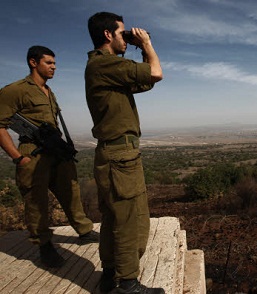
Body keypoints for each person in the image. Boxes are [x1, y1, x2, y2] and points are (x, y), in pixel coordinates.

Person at [85, 12, 163, 294]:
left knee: (112, 218)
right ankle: (128, 284)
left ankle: (108, 276)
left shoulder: (104, 68)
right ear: (107, 35)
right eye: (122, 33)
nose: (126, 39)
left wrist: (140, 49)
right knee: (130, 220)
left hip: (112, 155)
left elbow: (145, 82)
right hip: (121, 157)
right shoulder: (105, 64)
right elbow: (157, 73)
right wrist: (147, 44)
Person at [0, 45, 99, 268]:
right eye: (49, 63)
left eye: (54, 63)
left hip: (56, 151)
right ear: (33, 63)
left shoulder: (48, 90)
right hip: (33, 154)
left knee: (71, 191)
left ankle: (84, 231)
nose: (54, 67)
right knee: (37, 202)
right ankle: (44, 246)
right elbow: (0, 126)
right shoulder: (14, 90)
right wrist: (17, 157)